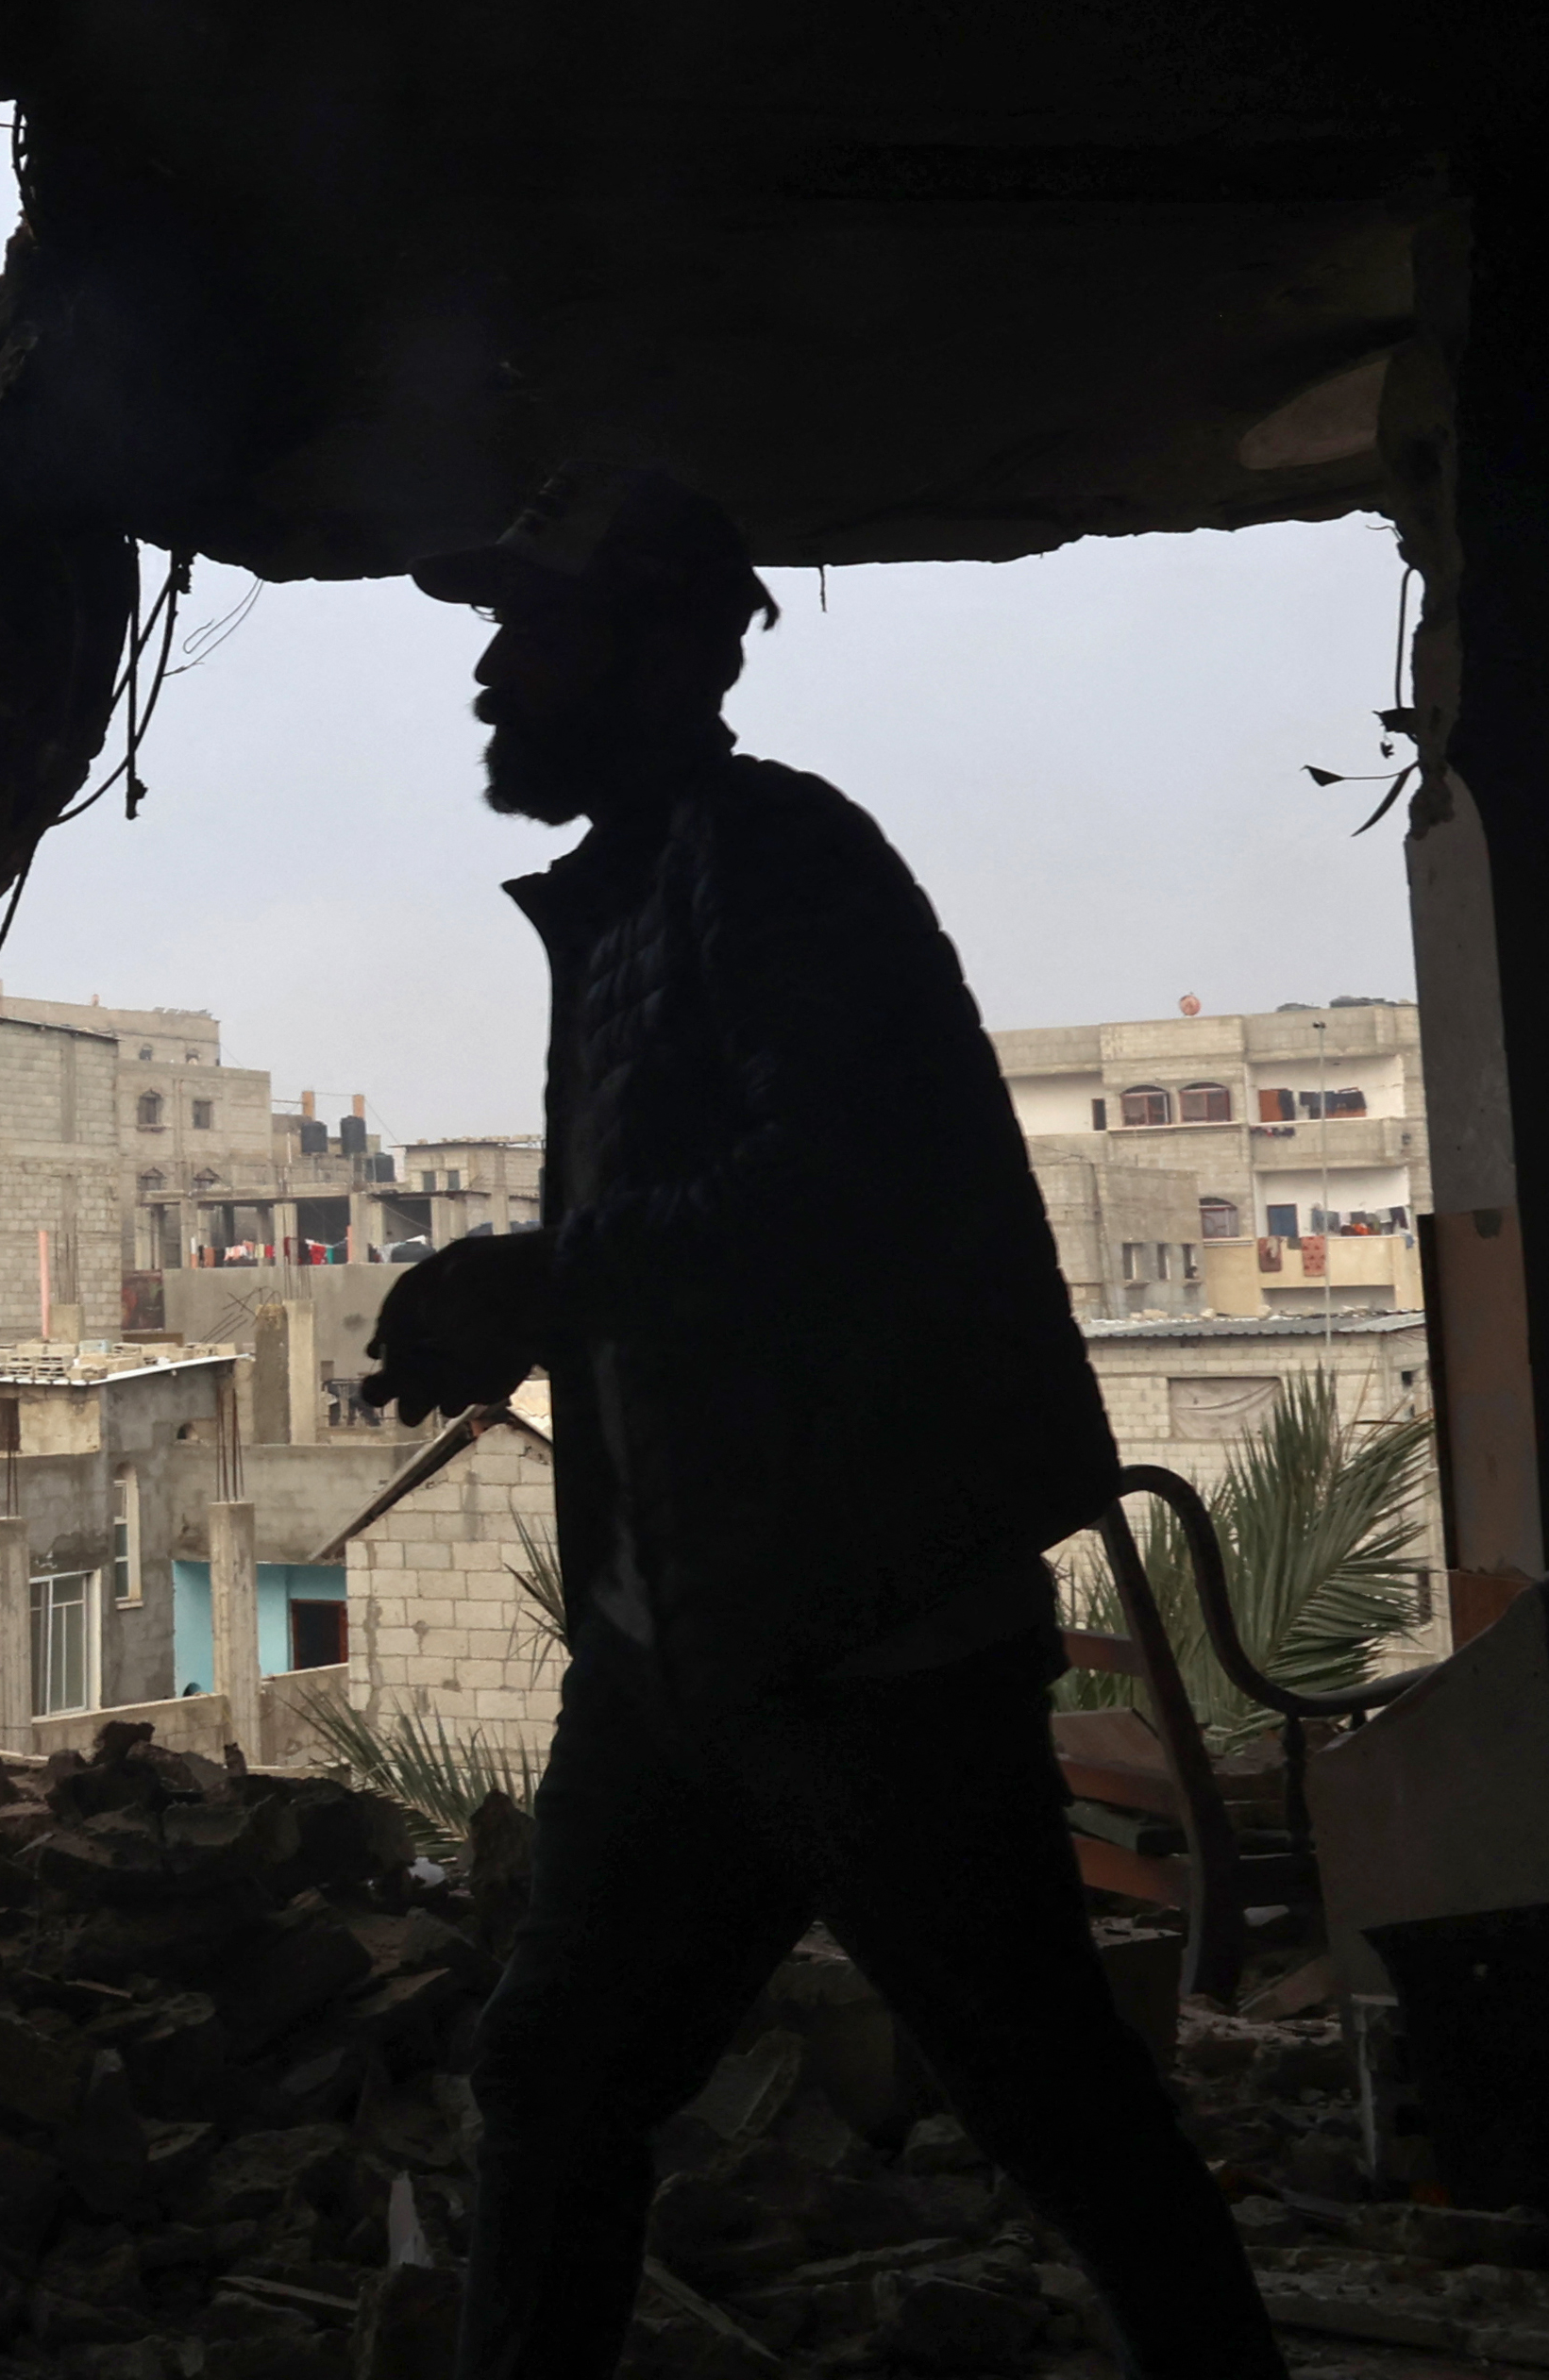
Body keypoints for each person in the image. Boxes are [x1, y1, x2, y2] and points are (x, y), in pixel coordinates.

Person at [364, 470, 1285, 2380]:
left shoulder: (773, 860)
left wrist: (546, 1282)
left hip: (859, 1646)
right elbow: (705, 1262)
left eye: (524, 634)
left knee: (1045, 2097)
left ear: (644, 658)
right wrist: (540, 1303)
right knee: (557, 2072)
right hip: (696, 1646)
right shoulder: (642, 905)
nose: (485, 682)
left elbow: (857, 1191)